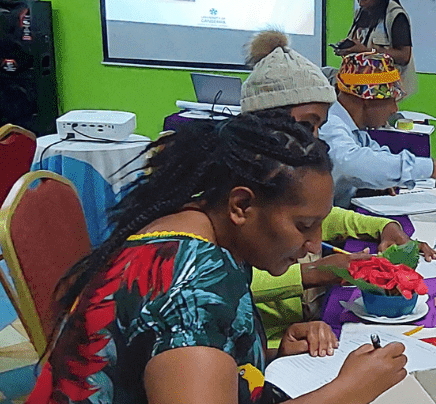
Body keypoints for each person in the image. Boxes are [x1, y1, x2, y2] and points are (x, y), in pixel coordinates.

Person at [29, 113, 406, 404]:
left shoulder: (194, 226)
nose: (313, 244)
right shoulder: (191, 292)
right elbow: (187, 333)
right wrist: (348, 392)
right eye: (304, 225)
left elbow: (172, 358)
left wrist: (268, 352)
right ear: (242, 205)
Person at [241, 30, 435, 349]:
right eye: (308, 124)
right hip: (269, 338)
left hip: (291, 333)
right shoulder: (243, 181)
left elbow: (320, 217)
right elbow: (233, 281)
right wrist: (314, 273)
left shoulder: (294, 166)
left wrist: (383, 225)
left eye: (319, 126)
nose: (316, 138)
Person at [319, 51, 436, 208]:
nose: (395, 109)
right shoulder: (329, 125)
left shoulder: (356, 131)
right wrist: (433, 168)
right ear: (367, 100)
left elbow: (378, 156)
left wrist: (385, 178)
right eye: (391, 100)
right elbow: (353, 163)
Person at [333, 0, 417, 98]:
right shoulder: (360, 13)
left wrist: (367, 51)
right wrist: (348, 48)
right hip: (362, 86)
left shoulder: (396, 16)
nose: (361, 3)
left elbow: (404, 56)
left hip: (386, 91)